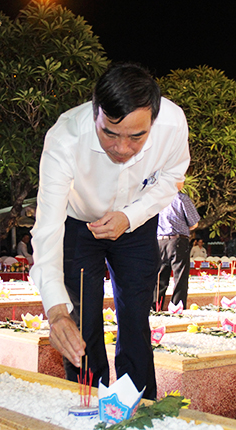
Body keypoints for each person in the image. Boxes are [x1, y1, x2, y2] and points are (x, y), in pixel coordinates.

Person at [29, 63, 189, 400]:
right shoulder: (66, 136)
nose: (122, 148)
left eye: (136, 137)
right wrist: (56, 311)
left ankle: (139, 406)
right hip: (79, 224)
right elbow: (47, 227)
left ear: (154, 121)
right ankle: (88, 406)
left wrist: (130, 217)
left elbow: (171, 179)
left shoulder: (173, 124)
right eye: (110, 133)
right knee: (80, 323)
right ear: (95, 113)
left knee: (134, 318)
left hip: (137, 223)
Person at [155, 182, 200, 311]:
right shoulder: (181, 198)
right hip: (178, 241)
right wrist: (183, 228)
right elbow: (194, 223)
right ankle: (177, 308)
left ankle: (155, 307)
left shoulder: (157, 199)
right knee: (180, 277)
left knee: (159, 277)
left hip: (159, 241)